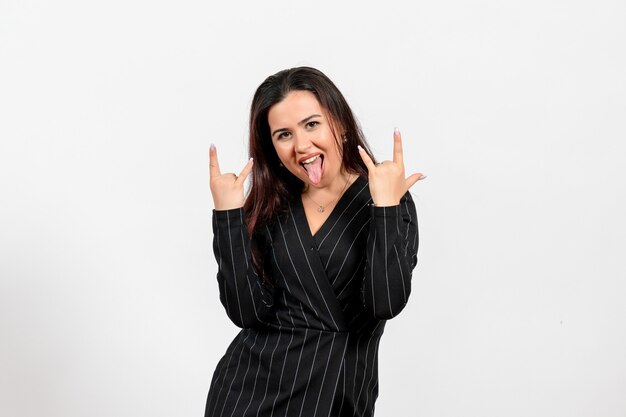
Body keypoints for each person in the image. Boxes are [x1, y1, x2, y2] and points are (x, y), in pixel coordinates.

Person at [205, 67, 425, 417]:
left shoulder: (386, 196)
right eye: (283, 135)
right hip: (248, 395)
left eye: (311, 124)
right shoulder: (271, 204)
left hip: (337, 395)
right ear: (272, 147)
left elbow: (385, 303)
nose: (302, 146)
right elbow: (246, 312)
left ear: (338, 120)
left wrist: (385, 207)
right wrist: (228, 216)